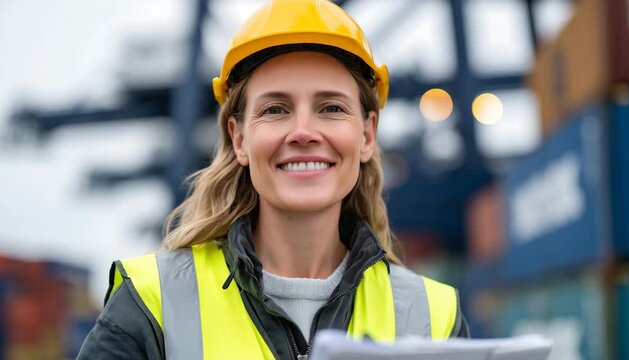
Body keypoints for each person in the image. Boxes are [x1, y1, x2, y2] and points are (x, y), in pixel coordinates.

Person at [78, 0, 469, 358]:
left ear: (367, 135)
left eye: (331, 107)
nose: (303, 131)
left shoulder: (434, 317)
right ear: (239, 138)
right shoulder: (151, 301)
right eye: (276, 109)